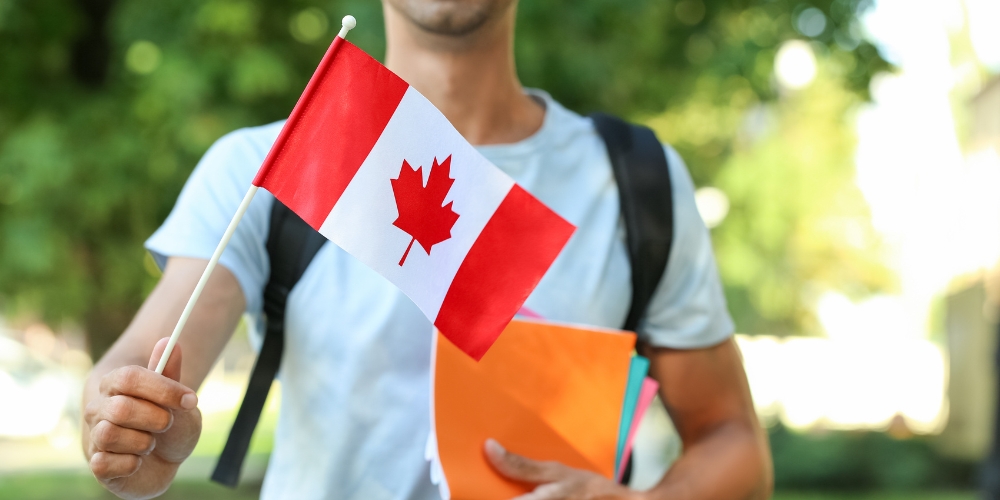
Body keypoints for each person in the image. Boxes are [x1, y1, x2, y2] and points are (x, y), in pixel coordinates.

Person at [81, 0, 773, 498]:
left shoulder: (637, 180)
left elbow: (733, 443)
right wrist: (126, 422)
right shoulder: (266, 166)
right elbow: (151, 359)